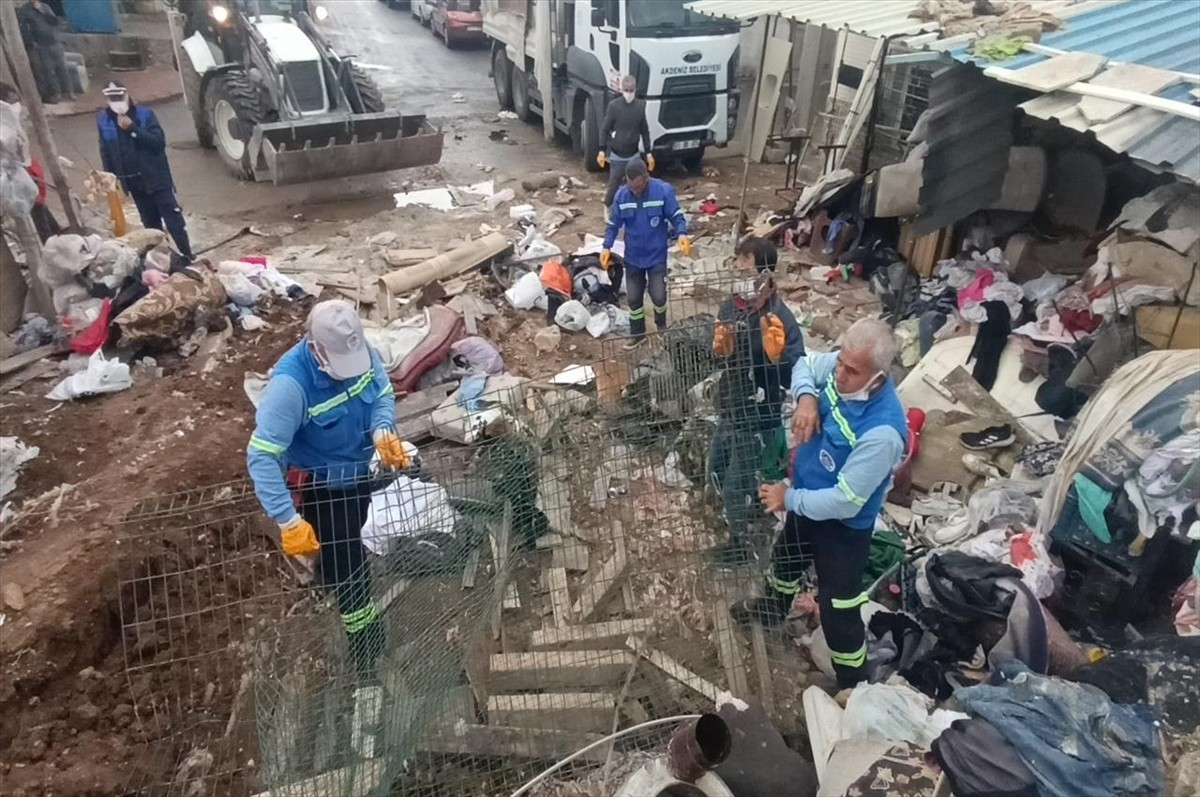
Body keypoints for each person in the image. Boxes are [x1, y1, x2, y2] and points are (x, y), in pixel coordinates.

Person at [247, 300, 411, 756]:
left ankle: (332, 582)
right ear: (317, 349)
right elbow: (261, 456)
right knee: (350, 568)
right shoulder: (290, 387)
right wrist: (288, 520)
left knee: (348, 547)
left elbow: (381, 392)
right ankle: (365, 651)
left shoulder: (357, 350)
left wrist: (382, 430)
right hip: (322, 488)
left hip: (356, 478)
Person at [735, 318, 907, 690]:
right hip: (806, 500)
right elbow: (806, 364)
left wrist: (788, 497)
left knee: (838, 609)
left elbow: (846, 501)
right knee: (785, 560)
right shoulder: (841, 366)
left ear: (877, 377)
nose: (840, 373)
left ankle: (853, 683)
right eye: (840, 362)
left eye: (852, 371)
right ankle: (772, 611)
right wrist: (807, 398)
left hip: (843, 530)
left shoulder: (882, 433)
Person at [708, 237, 805, 564]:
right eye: (737, 267)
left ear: (765, 275)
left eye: (747, 269)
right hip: (731, 404)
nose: (740, 274)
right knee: (716, 467)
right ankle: (748, 509)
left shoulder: (779, 317)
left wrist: (778, 358)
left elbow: (797, 371)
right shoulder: (729, 307)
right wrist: (721, 350)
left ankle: (741, 547)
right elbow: (718, 360)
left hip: (760, 415)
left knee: (735, 484)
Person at [96, 81, 194, 260]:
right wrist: (110, 178)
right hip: (134, 184)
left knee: (174, 220)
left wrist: (132, 129)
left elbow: (158, 143)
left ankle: (187, 255)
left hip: (157, 178)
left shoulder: (145, 115)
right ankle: (164, 260)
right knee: (150, 225)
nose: (116, 101)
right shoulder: (104, 120)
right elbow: (105, 151)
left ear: (127, 95)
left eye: (119, 96)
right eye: (112, 97)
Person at [600, 158, 690, 348]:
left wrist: (682, 233)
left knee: (659, 296)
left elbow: (676, 215)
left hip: (656, 256)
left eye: (639, 187)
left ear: (646, 178)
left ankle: (661, 326)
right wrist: (606, 246)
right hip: (633, 257)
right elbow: (613, 224)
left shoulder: (662, 191)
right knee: (634, 299)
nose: (635, 191)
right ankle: (637, 334)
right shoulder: (622, 196)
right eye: (631, 187)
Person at [0, 82, 62, 242]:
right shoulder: (4, 127)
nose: (16, 106)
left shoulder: (11, 122)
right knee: (35, 211)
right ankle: (50, 240)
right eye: (12, 101)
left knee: (38, 206)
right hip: (16, 176)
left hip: (27, 169)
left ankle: (55, 234)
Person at [598, 75, 653, 218]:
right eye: (626, 90)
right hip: (617, 154)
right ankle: (608, 207)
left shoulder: (640, 107)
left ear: (635, 90)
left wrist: (648, 153)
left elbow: (645, 131)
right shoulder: (614, 106)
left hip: (634, 154)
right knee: (614, 185)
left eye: (631, 90)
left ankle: (635, 210)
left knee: (638, 184)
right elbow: (605, 129)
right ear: (622, 90)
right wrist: (602, 150)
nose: (629, 93)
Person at [17, 0, 73, 104]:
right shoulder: (25, 10)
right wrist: (32, 43)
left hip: (54, 41)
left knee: (62, 68)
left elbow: (54, 21)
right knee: (48, 70)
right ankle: (56, 93)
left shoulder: (45, 7)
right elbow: (24, 29)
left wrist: (42, 11)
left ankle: (68, 92)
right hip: (41, 44)